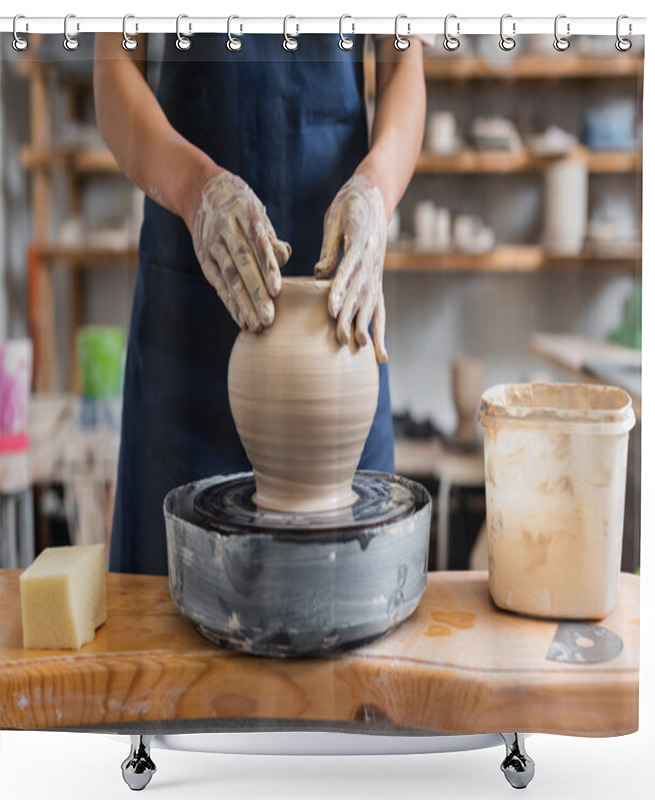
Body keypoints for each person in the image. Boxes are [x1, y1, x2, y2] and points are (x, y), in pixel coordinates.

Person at [94, 33, 427, 574]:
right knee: (166, 630)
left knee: (351, 618)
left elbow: (402, 67)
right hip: (189, 328)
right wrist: (195, 190)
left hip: (336, 339)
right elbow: (113, 76)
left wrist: (377, 187)